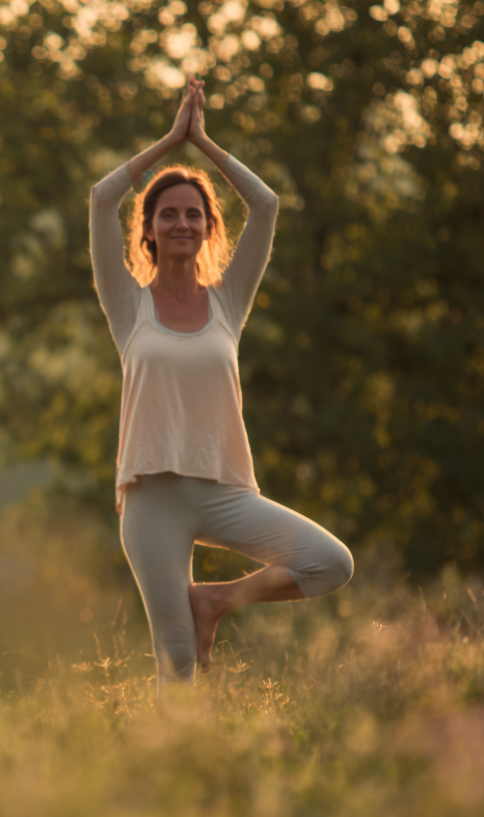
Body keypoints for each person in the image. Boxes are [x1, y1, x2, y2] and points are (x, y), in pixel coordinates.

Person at [89, 77, 353, 696]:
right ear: (148, 229)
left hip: (222, 491)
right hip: (152, 499)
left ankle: (217, 601)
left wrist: (204, 144)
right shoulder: (128, 306)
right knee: (177, 666)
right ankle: (178, 777)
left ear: (209, 228)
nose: (181, 222)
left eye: (193, 214)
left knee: (330, 562)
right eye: (167, 214)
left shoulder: (228, 302)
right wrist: (169, 141)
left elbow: (265, 206)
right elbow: (102, 200)